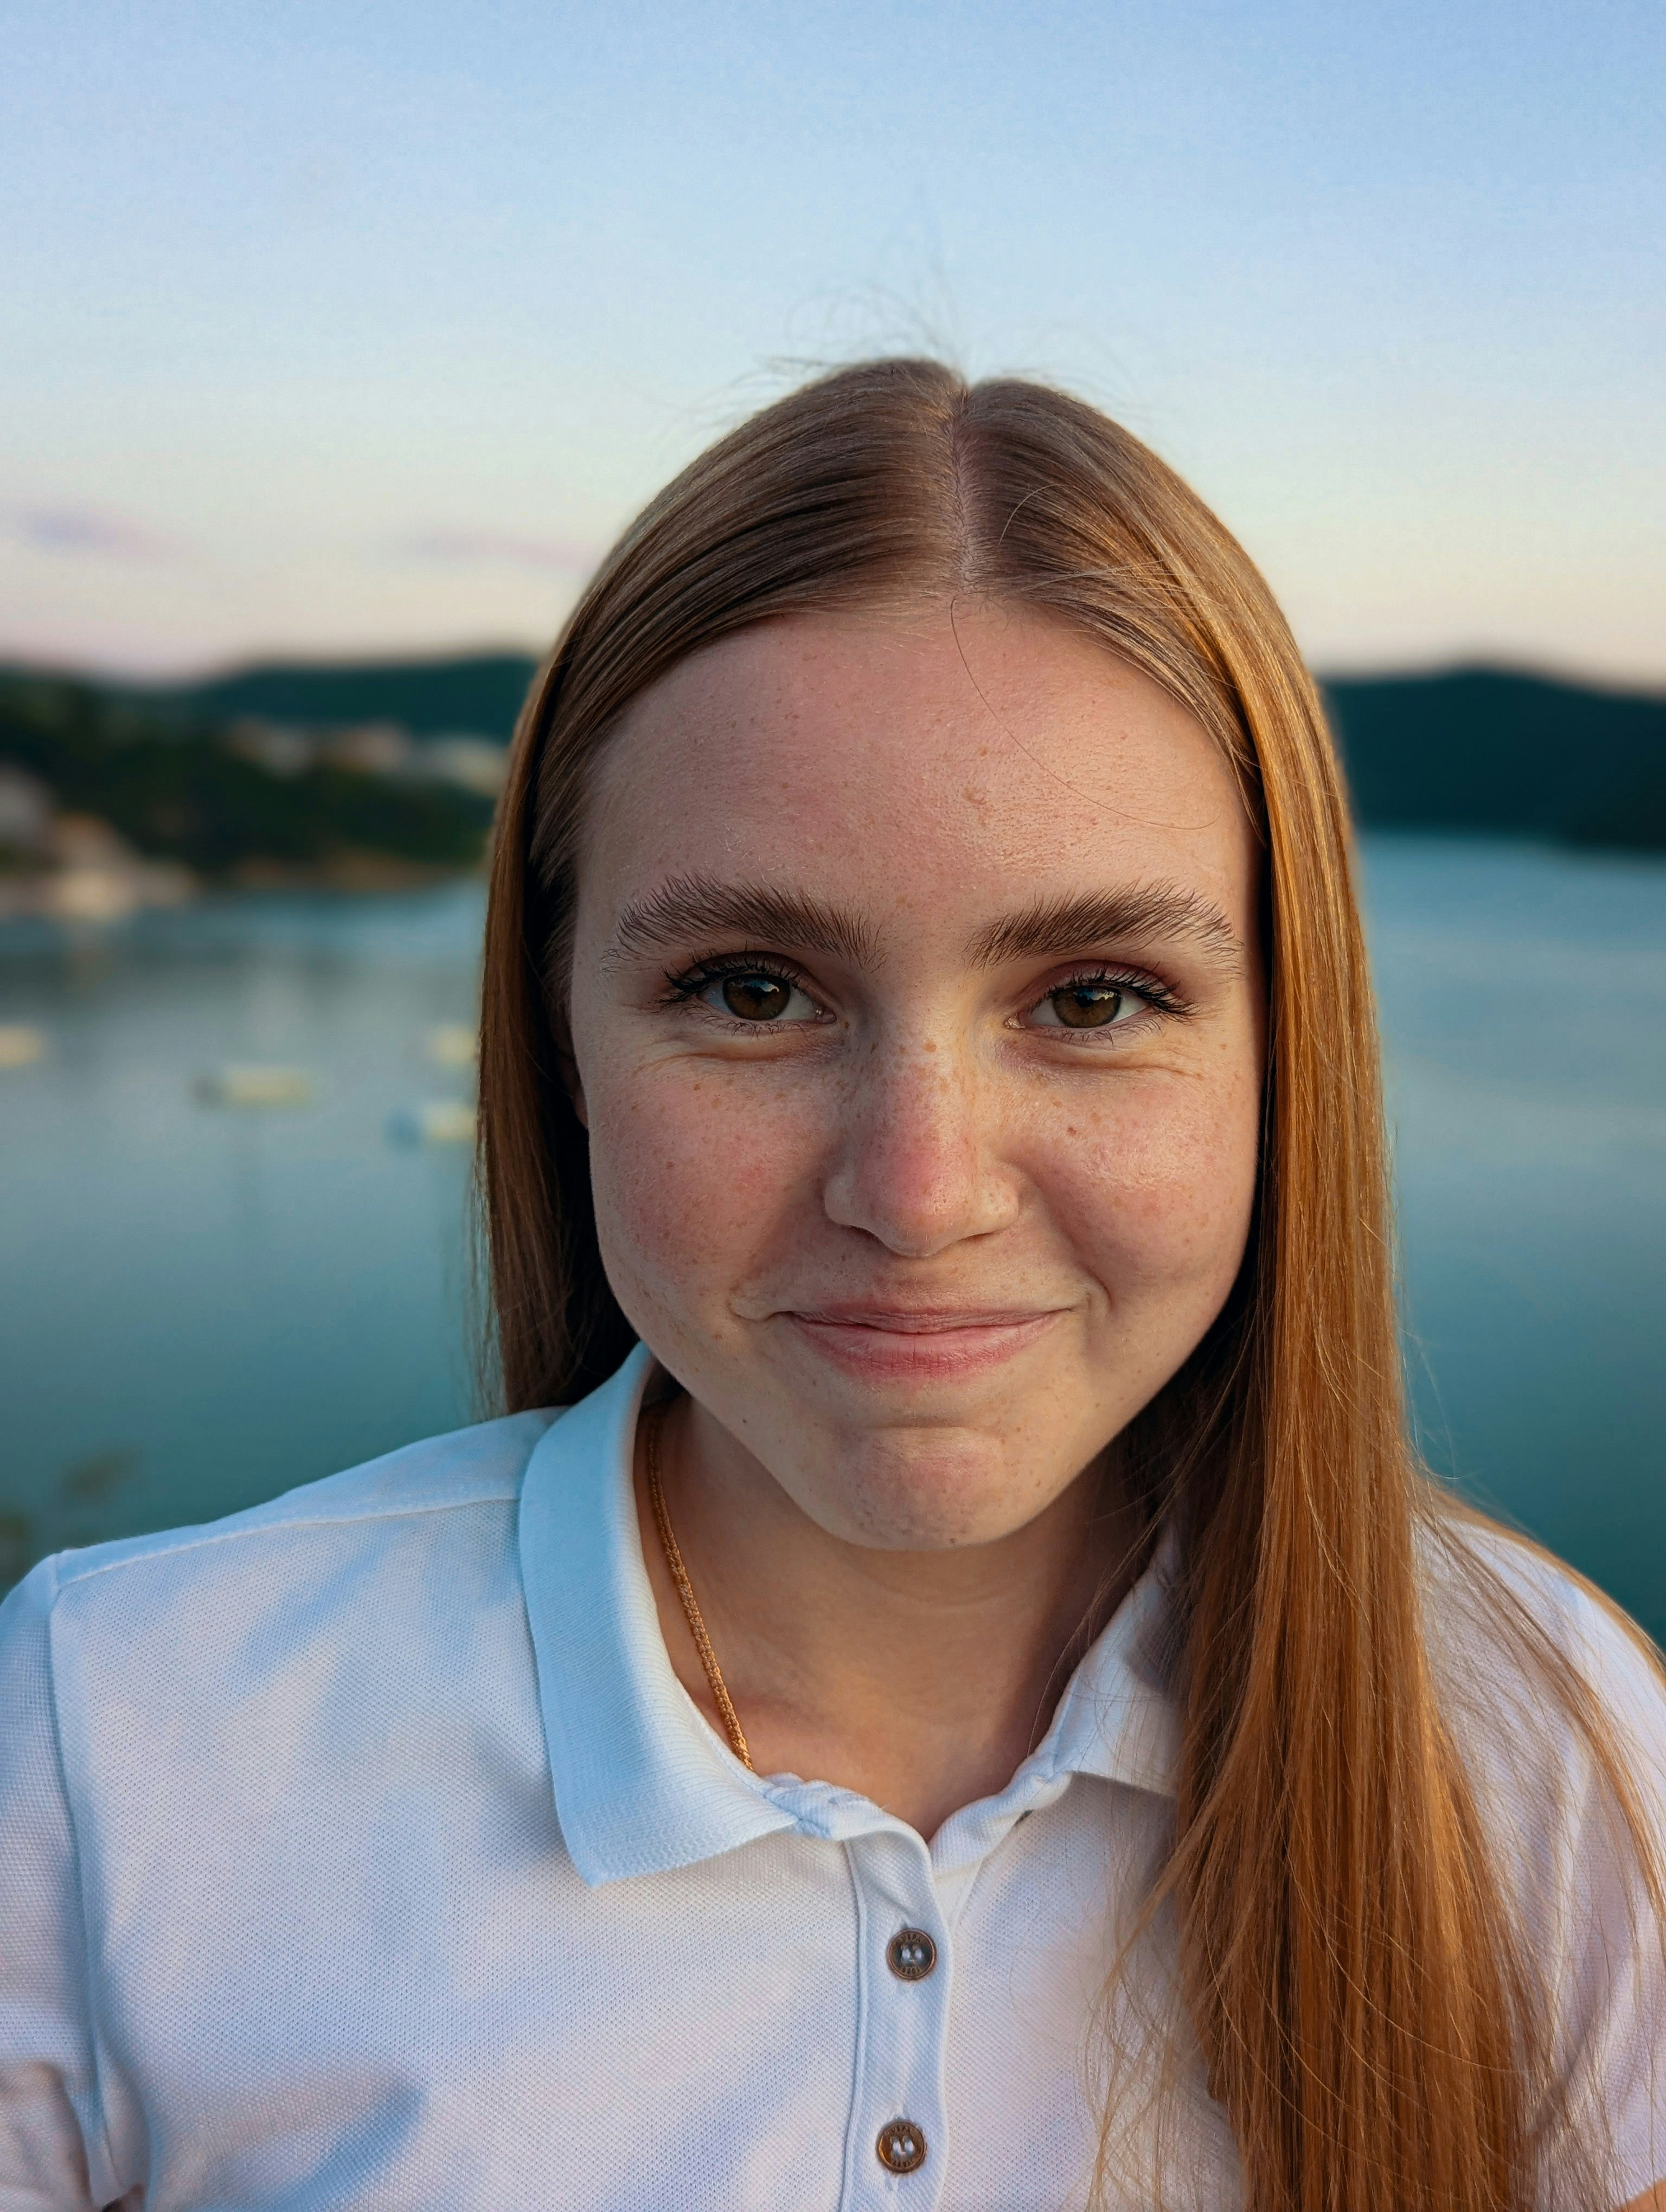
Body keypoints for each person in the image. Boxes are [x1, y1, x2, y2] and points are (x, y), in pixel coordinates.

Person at [2, 359, 1662, 2212]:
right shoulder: (119, 1745)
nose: (921, 1194)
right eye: (753, 990)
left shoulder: (1538, 1740)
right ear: (558, 1030)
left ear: (1286, 1050)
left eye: (1094, 999)